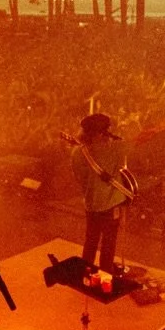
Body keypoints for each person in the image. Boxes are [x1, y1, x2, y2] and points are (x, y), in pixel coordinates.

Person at [70, 113, 130, 277]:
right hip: (111, 204)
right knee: (109, 243)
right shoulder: (116, 148)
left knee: (90, 240)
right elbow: (121, 166)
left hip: (91, 203)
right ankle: (105, 275)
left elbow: (80, 178)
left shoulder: (77, 152)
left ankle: (86, 273)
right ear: (102, 132)